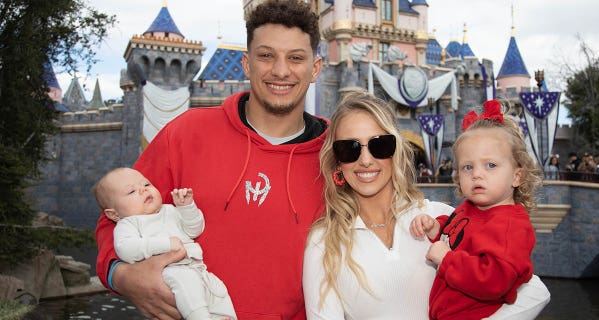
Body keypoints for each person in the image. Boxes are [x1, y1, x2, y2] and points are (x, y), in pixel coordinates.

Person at [94, 1, 327, 318]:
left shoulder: (340, 153)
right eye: (266, 55)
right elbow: (116, 216)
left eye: (296, 58)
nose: (281, 70)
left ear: (315, 68)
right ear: (246, 64)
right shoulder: (186, 133)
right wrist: (120, 275)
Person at [303, 93, 550, 319]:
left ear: (396, 151)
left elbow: (534, 291)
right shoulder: (324, 241)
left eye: (380, 145)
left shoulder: (442, 218)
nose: (366, 161)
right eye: (349, 148)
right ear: (337, 161)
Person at [409, 100, 543, 319]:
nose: (477, 174)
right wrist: (436, 228)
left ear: (517, 176)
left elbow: (496, 281)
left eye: (490, 165)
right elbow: (457, 234)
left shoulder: (511, 225)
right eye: (468, 167)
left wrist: (447, 259)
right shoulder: (471, 208)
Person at [93, 168, 236, 320]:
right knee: (188, 286)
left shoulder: (170, 210)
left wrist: (187, 208)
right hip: (170, 272)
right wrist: (166, 244)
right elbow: (126, 250)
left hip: (198, 268)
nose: (143, 190)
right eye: (131, 192)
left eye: (147, 184)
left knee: (218, 291)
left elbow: (194, 230)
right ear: (114, 214)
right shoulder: (128, 224)